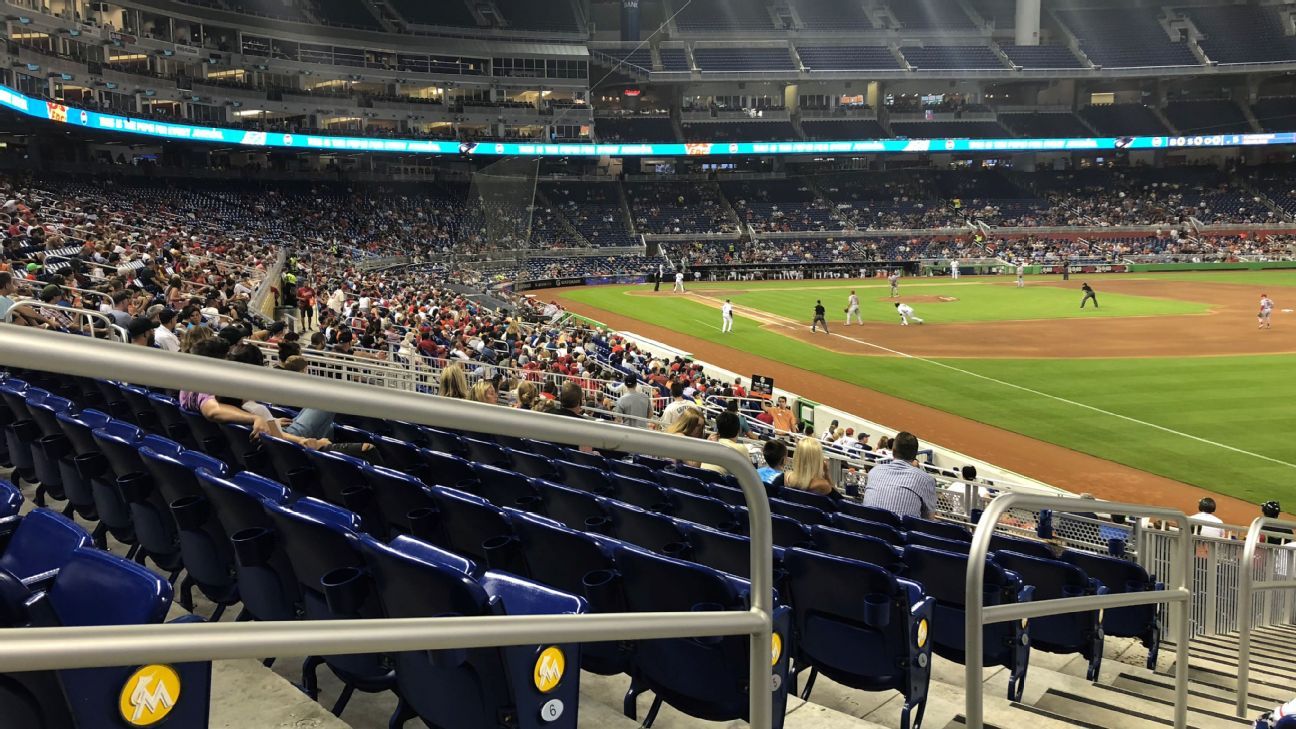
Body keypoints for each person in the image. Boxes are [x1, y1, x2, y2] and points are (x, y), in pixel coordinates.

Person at [861, 431, 937, 519]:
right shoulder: (926, 480)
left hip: (866, 529)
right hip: (900, 531)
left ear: (893, 451)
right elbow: (928, 519)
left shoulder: (874, 471)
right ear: (915, 455)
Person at [701, 411, 751, 475]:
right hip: (720, 483)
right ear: (738, 430)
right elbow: (750, 474)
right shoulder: (740, 449)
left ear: (718, 429)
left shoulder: (709, 445)